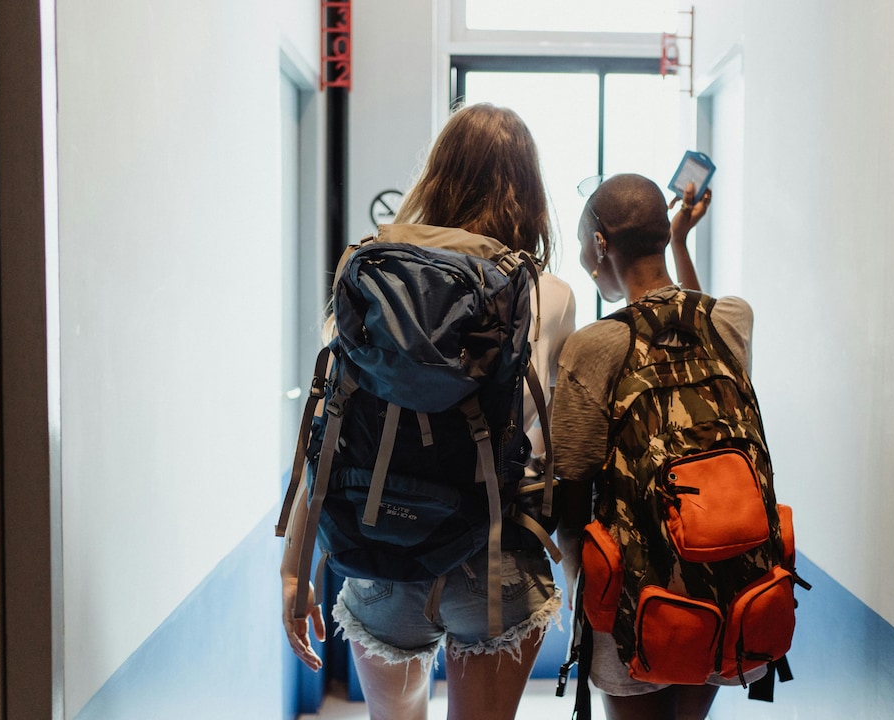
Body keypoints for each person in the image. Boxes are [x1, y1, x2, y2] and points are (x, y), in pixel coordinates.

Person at [280, 102, 576, 720]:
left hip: (382, 534)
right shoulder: (547, 293)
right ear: (531, 190)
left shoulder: (372, 273)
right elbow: (555, 447)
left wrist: (294, 566)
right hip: (494, 549)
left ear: (436, 174)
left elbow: (327, 425)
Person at [552, 173, 760, 720]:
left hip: (634, 594)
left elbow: (570, 491)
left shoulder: (594, 346)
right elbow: (698, 311)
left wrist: (581, 593)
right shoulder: (733, 320)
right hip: (726, 579)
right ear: (661, 236)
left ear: (601, 243)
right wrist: (682, 241)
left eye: (582, 246)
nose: (583, 259)